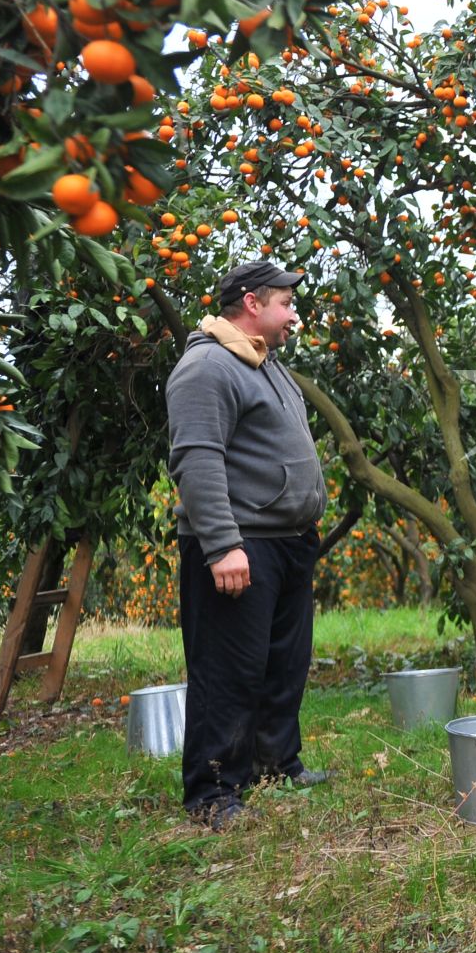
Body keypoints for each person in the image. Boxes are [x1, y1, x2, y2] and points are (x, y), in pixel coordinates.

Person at [166, 259, 331, 829]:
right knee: (228, 672)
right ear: (252, 304)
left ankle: (273, 763)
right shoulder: (207, 366)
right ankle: (212, 793)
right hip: (242, 544)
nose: (294, 315)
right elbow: (196, 459)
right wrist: (221, 546)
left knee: (283, 664)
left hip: (287, 542)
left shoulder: (267, 364)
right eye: (285, 303)